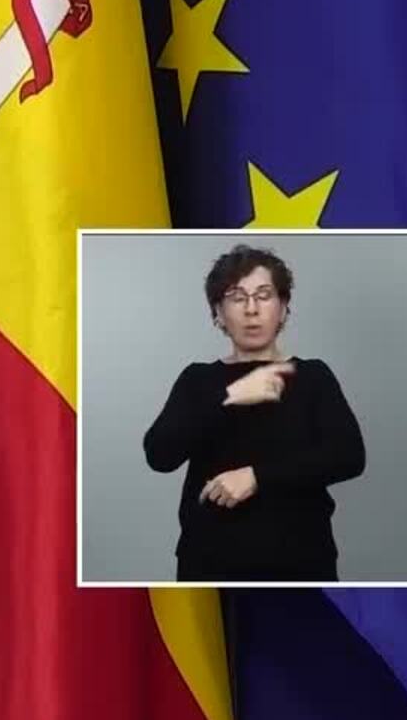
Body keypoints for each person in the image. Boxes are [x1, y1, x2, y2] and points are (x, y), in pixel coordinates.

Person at [142, 244, 365, 582]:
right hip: (210, 563)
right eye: (237, 297)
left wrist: (257, 477)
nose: (251, 309)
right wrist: (229, 396)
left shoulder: (312, 376)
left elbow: (348, 456)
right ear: (218, 313)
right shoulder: (198, 380)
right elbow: (160, 455)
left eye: (264, 295)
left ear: (283, 308)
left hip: (300, 561)